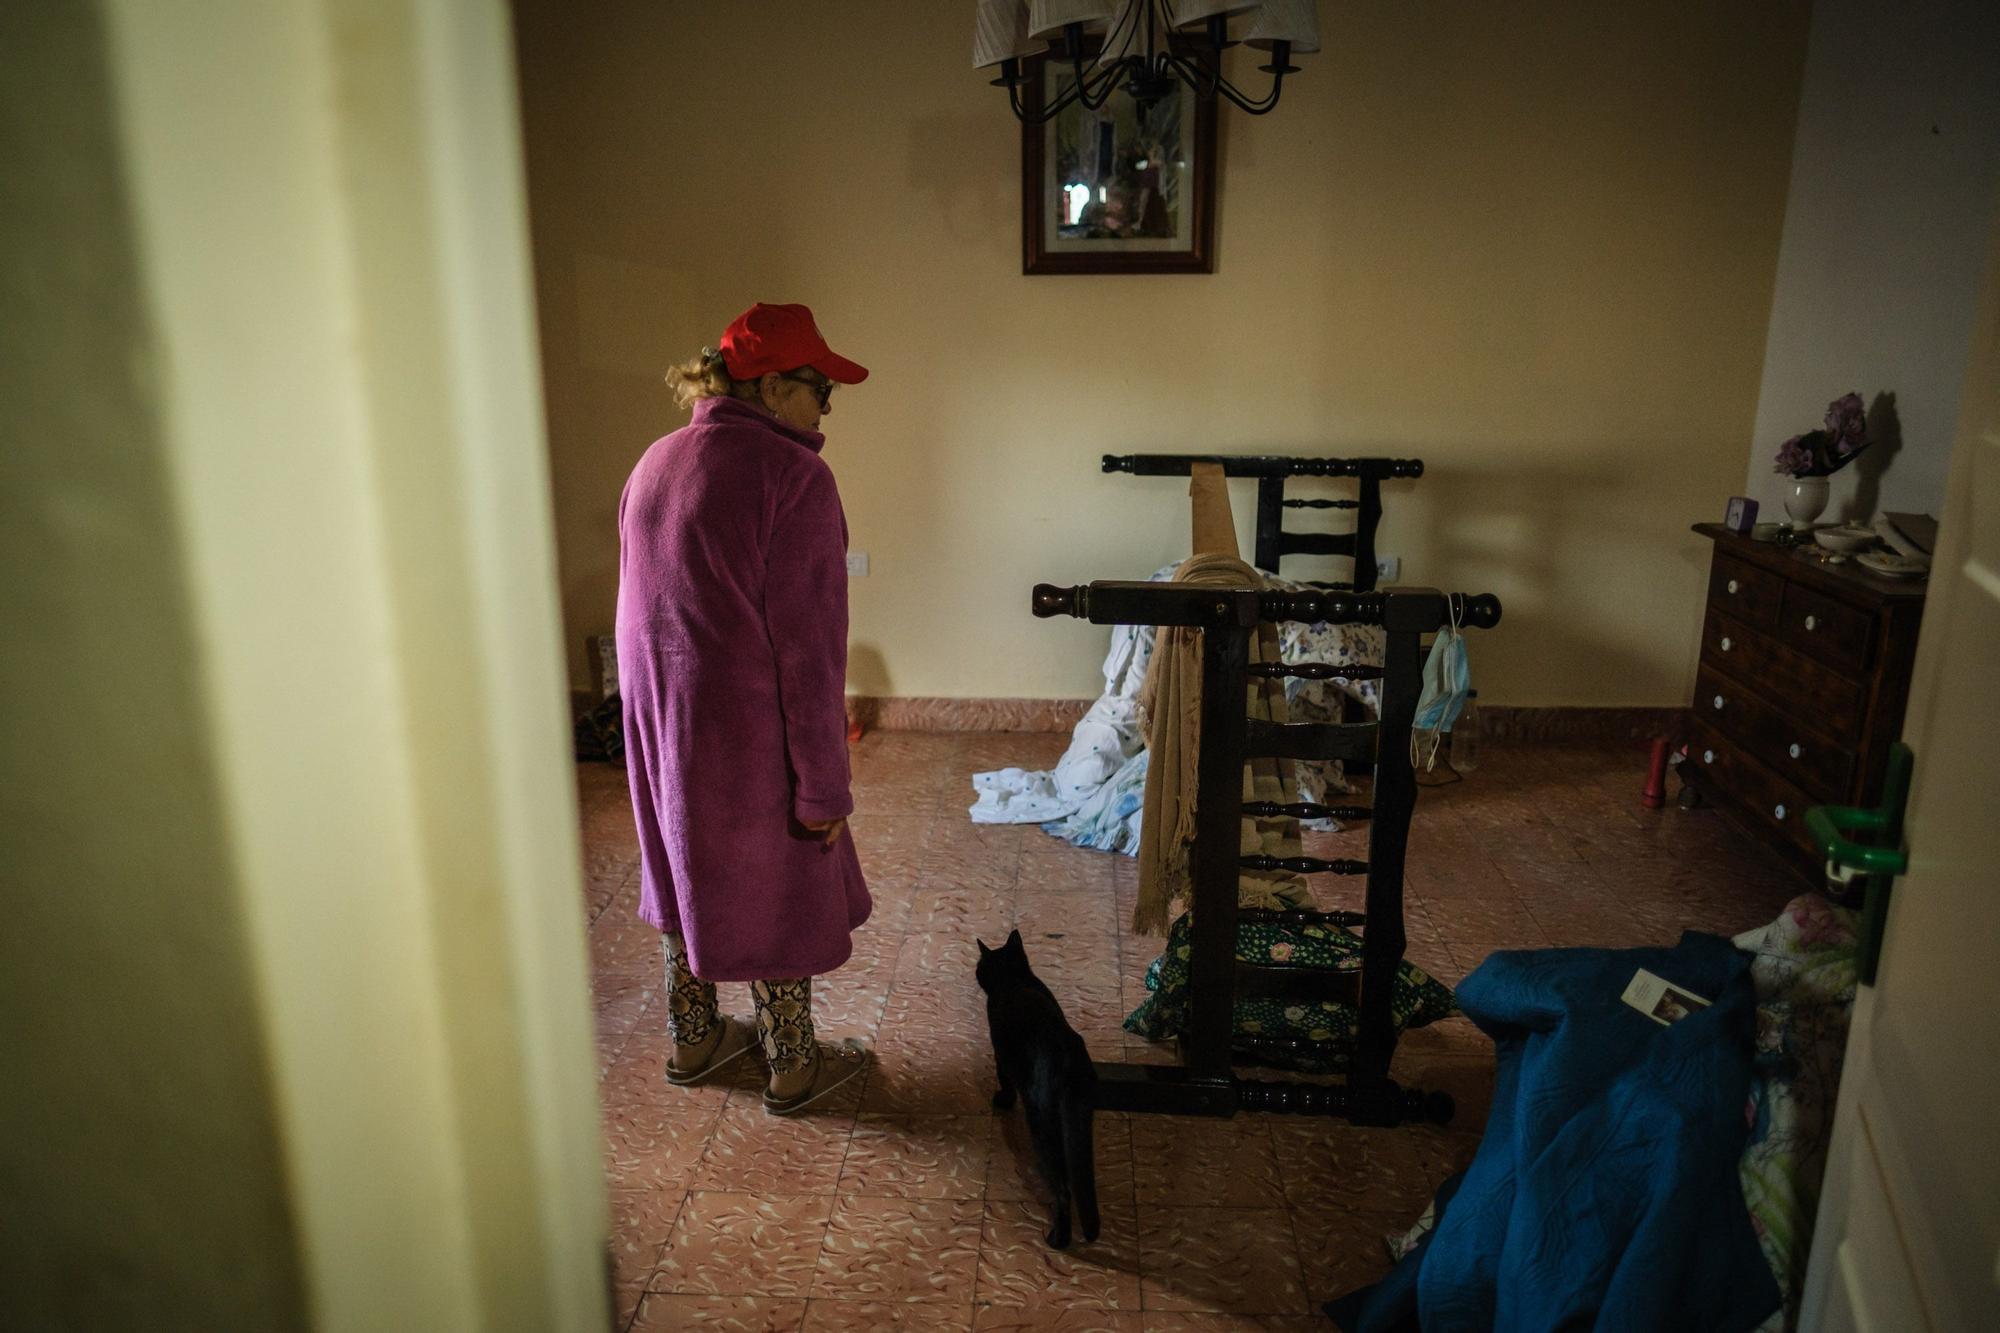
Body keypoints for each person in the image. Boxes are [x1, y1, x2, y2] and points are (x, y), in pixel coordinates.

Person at [617, 302, 873, 1115]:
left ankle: (694, 1041)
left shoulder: (654, 461)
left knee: (686, 865)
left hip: (661, 718)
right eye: (818, 388)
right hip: (747, 727)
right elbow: (811, 653)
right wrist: (824, 789)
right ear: (768, 386)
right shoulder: (796, 477)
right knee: (778, 881)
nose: (827, 407)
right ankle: (793, 1066)